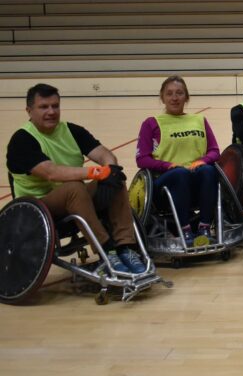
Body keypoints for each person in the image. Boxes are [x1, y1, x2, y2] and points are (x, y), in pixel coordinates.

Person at [6, 83, 147, 274]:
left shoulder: (71, 130)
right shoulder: (22, 140)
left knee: (116, 179)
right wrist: (96, 173)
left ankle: (125, 247)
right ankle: (107, 250)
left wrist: (111, 169)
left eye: (55, 106)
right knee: (74, 187)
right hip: (38, 207)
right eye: (44, 107)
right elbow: (52, 172)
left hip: (76, 199)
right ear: (29, 110)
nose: (51, 112)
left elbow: (103, 153)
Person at [136, 75, 221, 248]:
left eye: (179, 93)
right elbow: (142, 159)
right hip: (166, 183)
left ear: (186, 97)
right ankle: (185, 230)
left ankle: (204, 227)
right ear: (162, 97)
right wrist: (167, 166)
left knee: (208, 170)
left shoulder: (199, 120)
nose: (174, 98)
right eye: (169, 94)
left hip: (196, 178)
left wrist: (203, 161)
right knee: (180, 173)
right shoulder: (151, 123)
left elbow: (214, 150)